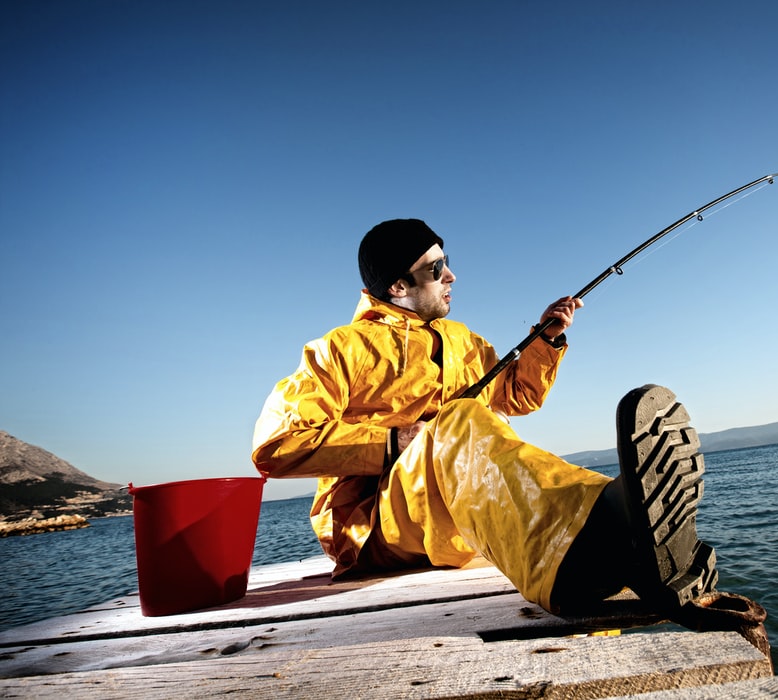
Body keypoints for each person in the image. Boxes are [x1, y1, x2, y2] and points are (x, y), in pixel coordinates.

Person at [251, 218, 716, 614]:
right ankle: (589, 548)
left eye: (446, 261)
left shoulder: (464, 341)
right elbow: (275, 445)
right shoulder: (338, 350)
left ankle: (622, 540)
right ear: (398, 286)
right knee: (460, 419)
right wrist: (392, 442)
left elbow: (518, 397)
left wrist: (546, 340)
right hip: (374, 529)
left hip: (452, 516)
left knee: (474, 420)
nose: (451, 275)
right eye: (436, 268)